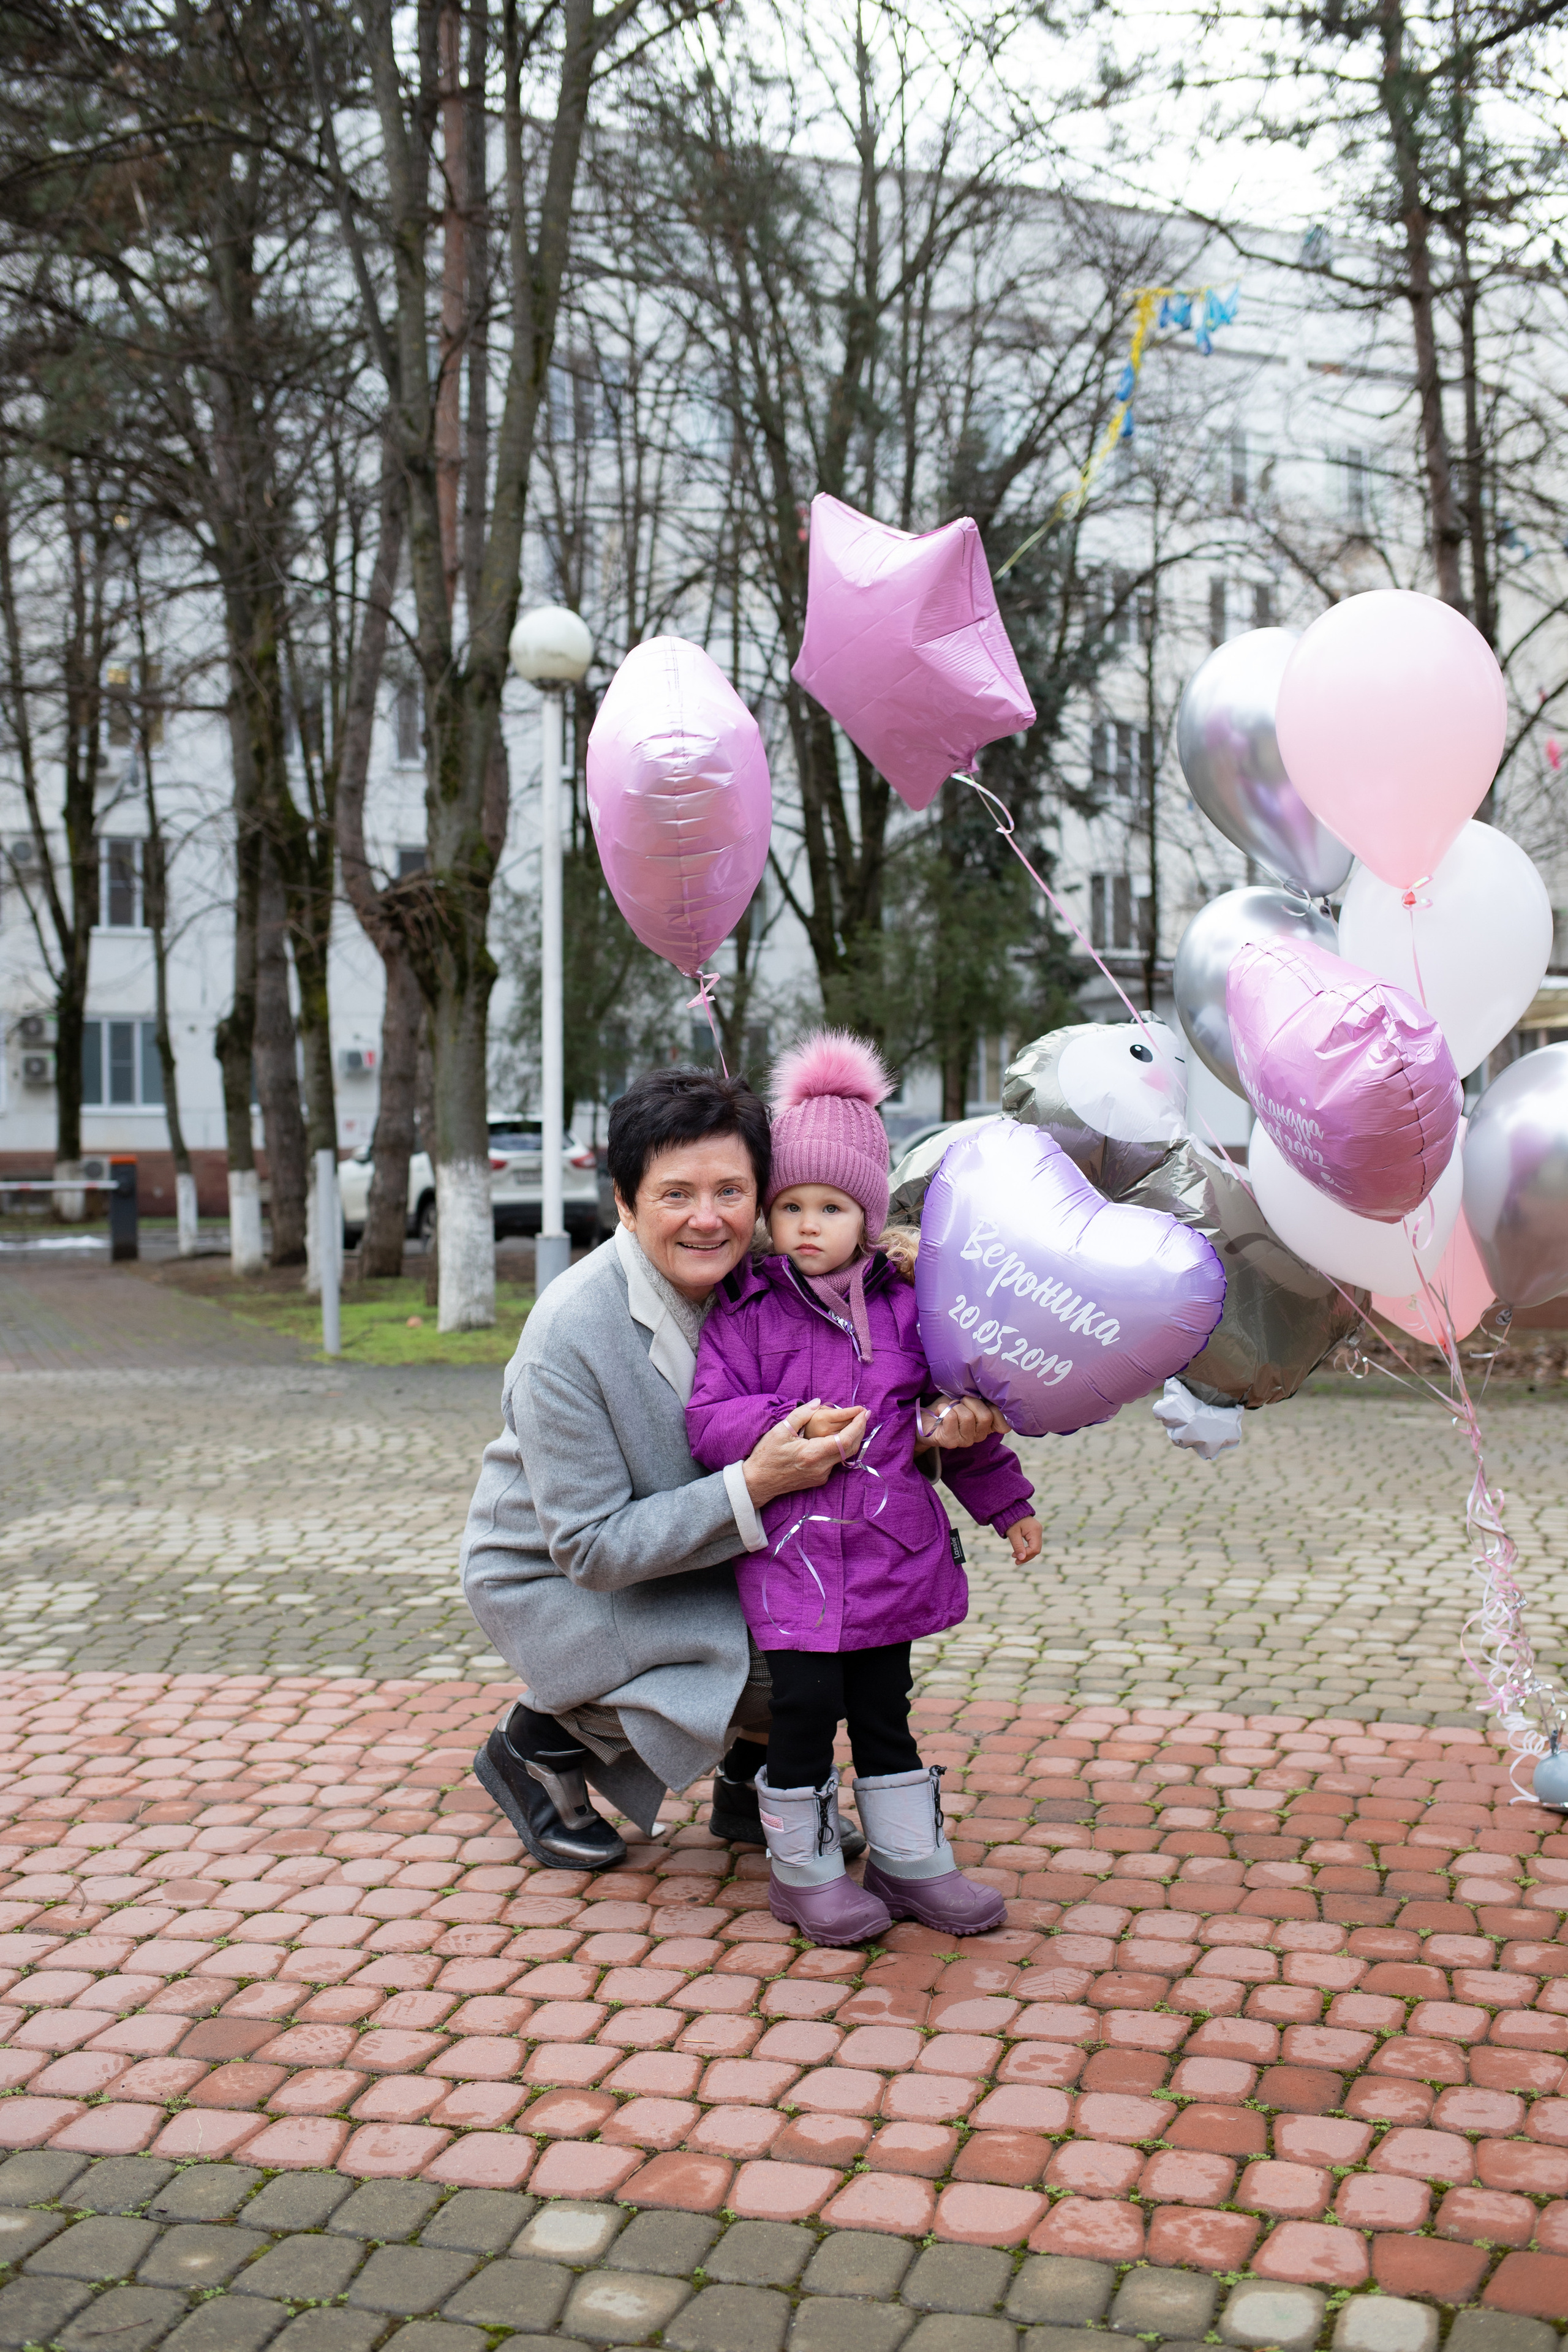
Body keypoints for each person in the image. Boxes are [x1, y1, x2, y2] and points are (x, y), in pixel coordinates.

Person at [459, 1063, 1001, 1873]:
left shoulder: (774, 1280)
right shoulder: (569, 1337)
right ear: (623, 1200)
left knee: (837, 1606)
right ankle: (538, 1741)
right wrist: (758, 1483)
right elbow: (592, 1549)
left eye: (733, 1193)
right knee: (794, 1651)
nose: (708, 1221)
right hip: (559, 1575)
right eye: (676, 1194)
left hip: (699, 1540)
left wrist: (936, 1423)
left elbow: (871, 1386)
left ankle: (751, 1786)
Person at [687, 1031, 1044, 1946]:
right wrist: (778, 1424)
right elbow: (708, 1418)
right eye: (791, 1205)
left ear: (870, 1215)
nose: (808, 1224)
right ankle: (802, 1872)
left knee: (887, 1709)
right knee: (803, 1712)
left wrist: (1007, 1504)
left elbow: (953, 1420)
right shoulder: (747, 1310)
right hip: (795, 1564)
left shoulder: (909, 1309)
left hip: (891, 1559)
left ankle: (910, 1860)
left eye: (833, 1206)